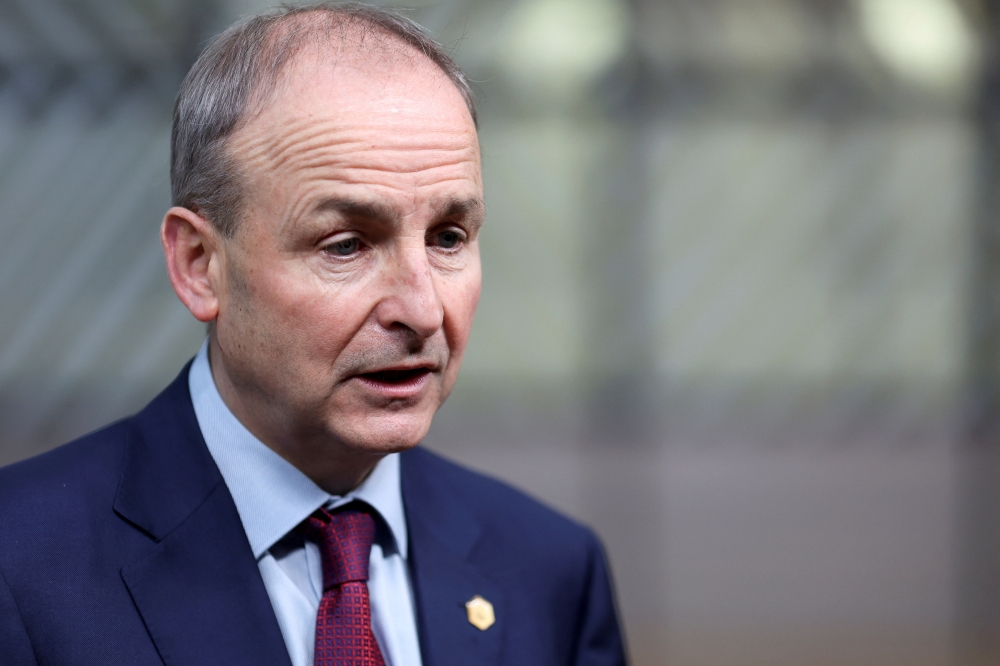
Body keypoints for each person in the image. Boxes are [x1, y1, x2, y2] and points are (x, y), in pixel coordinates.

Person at [0, 4, 626, 665]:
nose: (422, 310)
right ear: (199, 266)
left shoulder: (550, 571)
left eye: (448, 237)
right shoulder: (20, 569)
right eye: (347, 245)